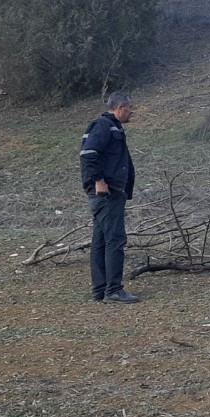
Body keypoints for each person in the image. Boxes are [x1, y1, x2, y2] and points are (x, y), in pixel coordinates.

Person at [80, 92, 141, 303]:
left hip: (109, 193)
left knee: (100, 240)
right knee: (115, 239)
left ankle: (100, 290)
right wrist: (98, 181)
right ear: (121, 107)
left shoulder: (112, 127)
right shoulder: (103, 126)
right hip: (107, 194)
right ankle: (113, 290)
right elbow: (88, 154)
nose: (132, 111)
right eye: (130, 107)